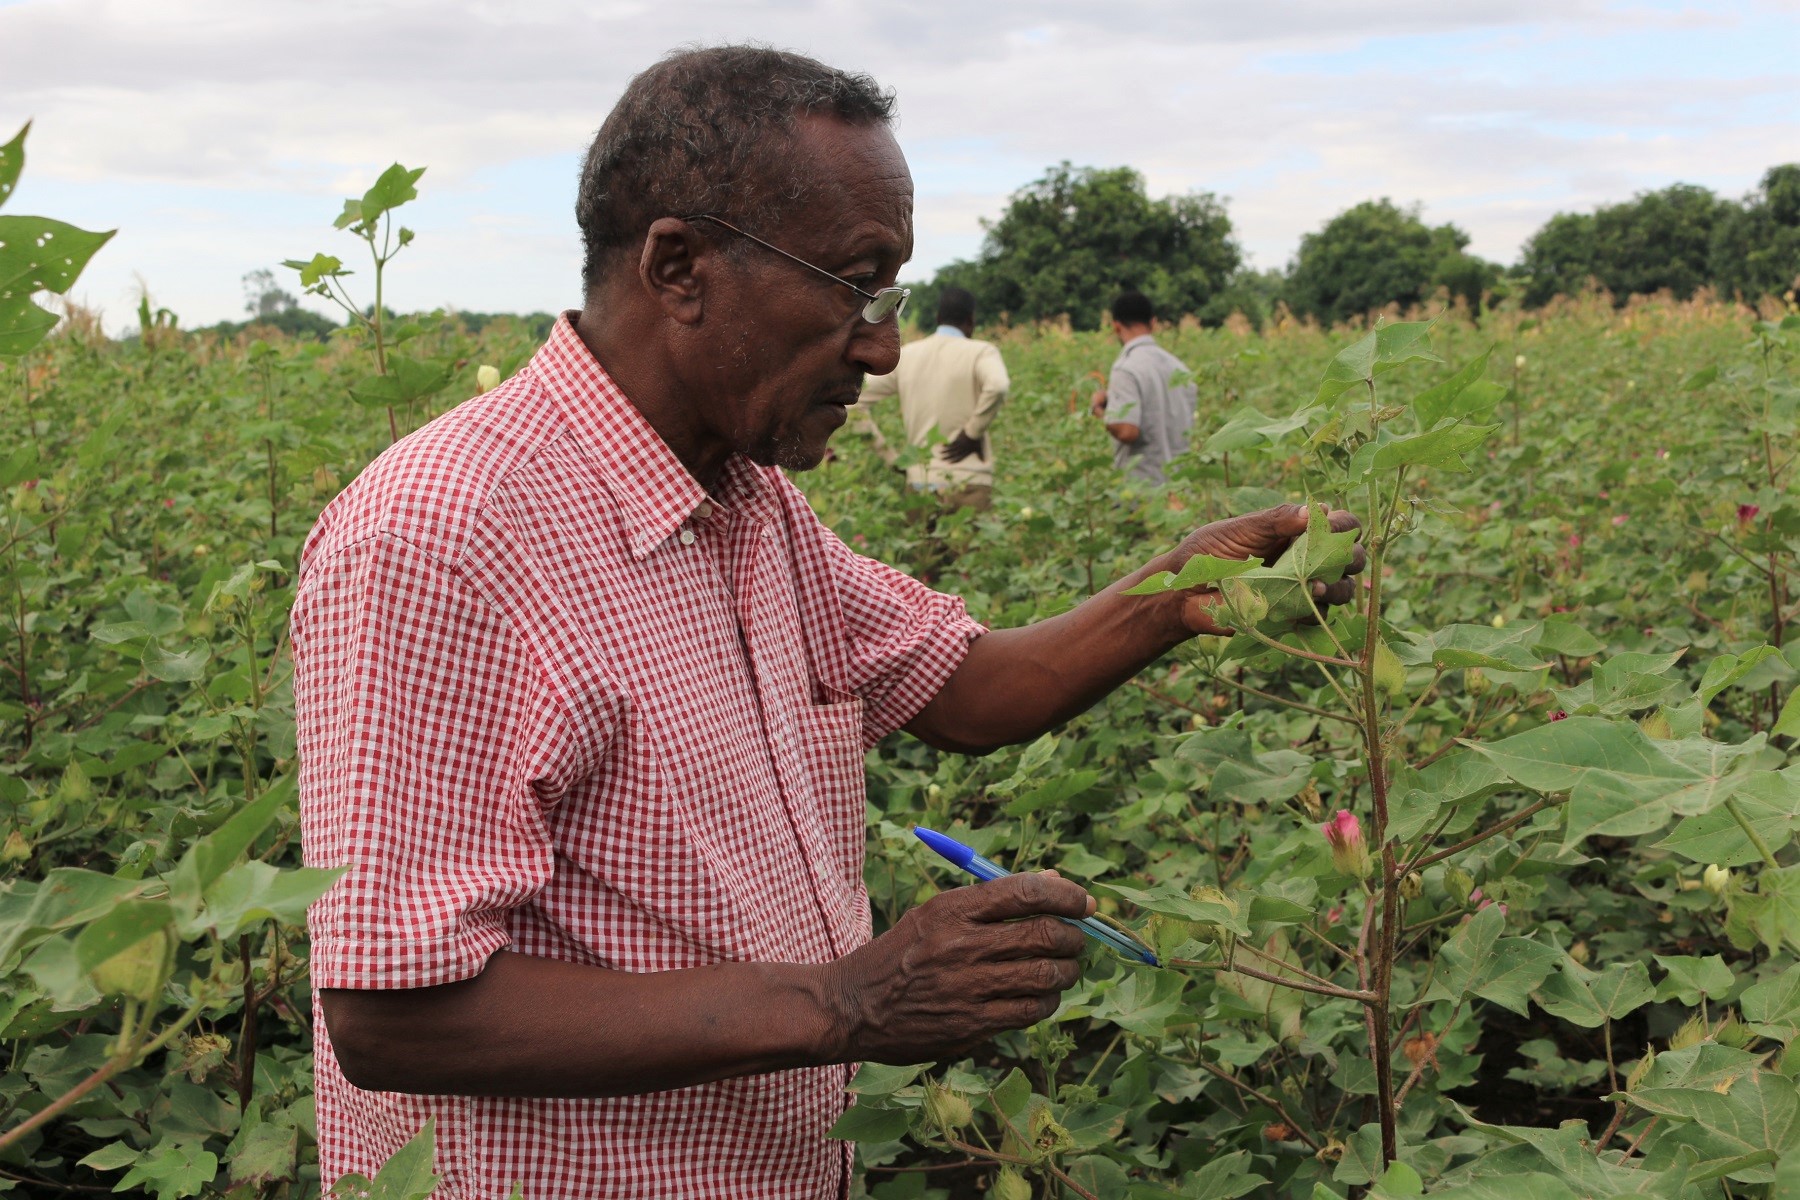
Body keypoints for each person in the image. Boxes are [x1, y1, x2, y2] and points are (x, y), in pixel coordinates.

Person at [292, 46, 1362, 1200]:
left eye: (890, 295)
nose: (881, 346)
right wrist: (849, 998)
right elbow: (395, 1016)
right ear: (679, 267)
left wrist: (1180, 586)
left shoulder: (748, 505)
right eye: (856, 284)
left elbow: (968, 687)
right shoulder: (441, 541)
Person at [857, 285, 1008, 508]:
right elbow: (998, 385)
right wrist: (972, 433)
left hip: (921, 482)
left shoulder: (907, 356)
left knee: (924, 544)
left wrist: (890, 457)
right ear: (971, 320)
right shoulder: (981, 352)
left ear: (938, 318)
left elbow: (855, 399)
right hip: (970, 481)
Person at [1091, 291, 1198, 486]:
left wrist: (1100, 411)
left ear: (1116, 326)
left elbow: (1127, 430)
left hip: (1142, 492)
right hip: (1180, 489)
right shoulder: (1180, 368)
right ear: (1153, 323)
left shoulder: (1126, 368)